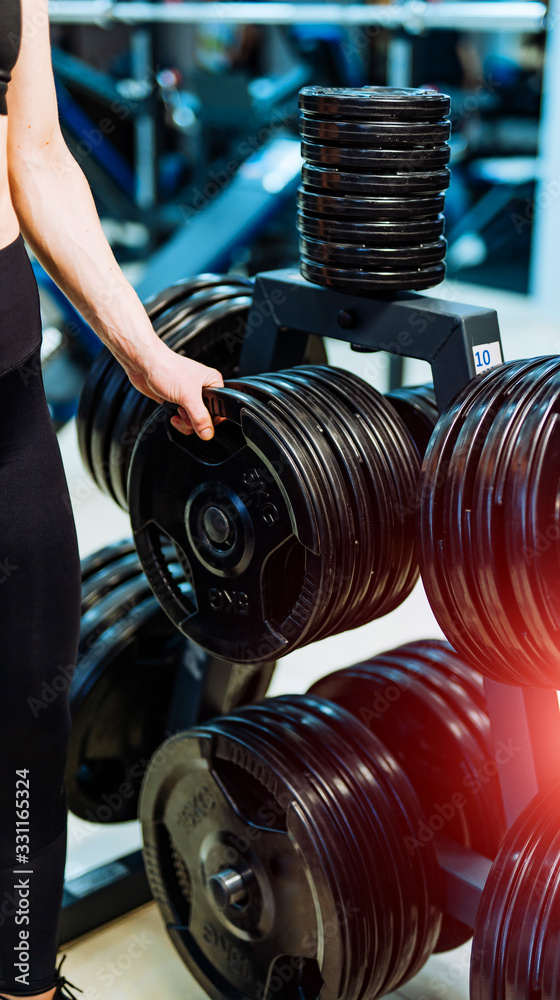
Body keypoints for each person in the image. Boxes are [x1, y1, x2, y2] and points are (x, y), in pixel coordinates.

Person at [0, 1, 227, 996]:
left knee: (26, 708)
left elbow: (38, 150)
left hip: (2, 385)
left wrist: (145, 353)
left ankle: (22, 978)